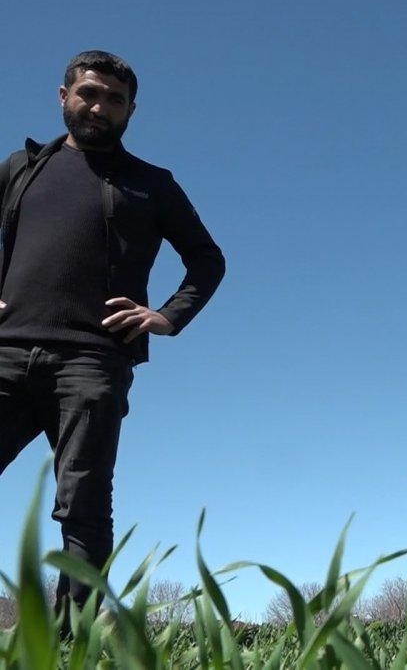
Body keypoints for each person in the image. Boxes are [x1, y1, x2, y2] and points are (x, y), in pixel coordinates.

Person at [0, 50, 225, 615]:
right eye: (89, 94)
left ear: (131, 110)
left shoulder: (152, 184)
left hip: (93, 362)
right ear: (64, 96)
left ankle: (73, 638)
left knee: (83, 502)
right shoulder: (20, 169)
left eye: (114, 100)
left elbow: (207, 259)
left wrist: (168, 315)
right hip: (5, 351)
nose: (99, 107)